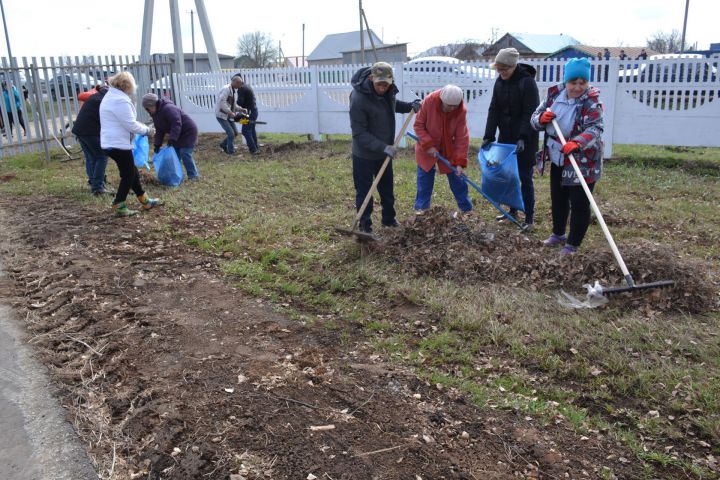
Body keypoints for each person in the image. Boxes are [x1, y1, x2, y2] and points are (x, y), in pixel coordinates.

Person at [531, 58, 604, 255]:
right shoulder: (554, 94)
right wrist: (541, 119)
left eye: (582, 83)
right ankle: (558, 234)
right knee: (559, 197)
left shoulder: (591, 102)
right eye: (573, 83)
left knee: (579, 201)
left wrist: (577, 142)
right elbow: (535, 117)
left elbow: (596, 128)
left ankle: (573, 243)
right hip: (558, 155)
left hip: (582, 160)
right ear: (566, 81)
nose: (578, 87)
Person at [349, 61, 419, 234]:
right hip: (364, 154)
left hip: (383, 154)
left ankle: (388, 220)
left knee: (387, 190)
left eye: (386, 84)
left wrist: (410, 106)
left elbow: (391, 104)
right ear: (371, 78)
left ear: (391, 81)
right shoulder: (358, 99)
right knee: (364, 192)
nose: (382, 88)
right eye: (379, 84)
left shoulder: (388, 91)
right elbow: (359, 133)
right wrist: (383, 147)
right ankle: (364, 225)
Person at [482, 47, 540, 230]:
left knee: (524, 177)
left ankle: (529, 217)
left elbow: (530, 112)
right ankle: (512, 211)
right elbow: (494, 109)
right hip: (505, 137)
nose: (501, 73)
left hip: (525, 138)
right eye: (498, 70)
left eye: (504, 69)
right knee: (508, 176)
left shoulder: (527, 83)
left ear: (513, 66)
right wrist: (489, 135)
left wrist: (523, 137)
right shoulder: (499, 83)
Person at [100, 71, 162, 217]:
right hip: (118, 144)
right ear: (127, 86)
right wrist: (148, 130)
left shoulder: (110, 96)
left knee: (132, 171)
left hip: (110, 142)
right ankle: (119, 204)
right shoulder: (120, 100)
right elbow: (130, 125)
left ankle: (144, 200)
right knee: (128, 174)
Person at [413, 85, 471, 215]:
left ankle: (467, 210)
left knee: (458, 180)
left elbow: (462, 137)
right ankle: (421, 212)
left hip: (448, 148)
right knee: (424, 181)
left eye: (454, 106)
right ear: (441, 99)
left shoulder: (461, 111)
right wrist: (428, 144)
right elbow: (418, 125)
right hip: (426, 146)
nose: (451, 108)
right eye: (448, 105)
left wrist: (460, 162)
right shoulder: (429, 101)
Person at [142, 93, 200, 180]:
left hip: (188, 132)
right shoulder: (155, 114)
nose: (148, 111)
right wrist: (157, 144)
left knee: (185, 153)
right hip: (177, 133)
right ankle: (174, 176)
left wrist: (172, 138)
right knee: (174, 155)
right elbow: (159, 130)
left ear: (153, 105)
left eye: (148, 108)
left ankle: (193, 176)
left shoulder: (168, 109)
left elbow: (176, 123)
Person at [72, 84, 111, 195]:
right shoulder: (105, 100)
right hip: (89, 132)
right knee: (101, 156)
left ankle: (94, 182)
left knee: (91, 157)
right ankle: (98, 187)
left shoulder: (95, 97)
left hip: (79, 130)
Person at [214, 75, 244, 155]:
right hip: (221, 115)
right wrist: (230, 112)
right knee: (231, 134)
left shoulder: (233, 91)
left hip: (227, 115)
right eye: (239, 84)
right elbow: (222, 102)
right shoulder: (226, 89)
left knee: (235, 133)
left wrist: (241, 109)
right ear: (235, 82)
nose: (240, 86)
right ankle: (231, 152)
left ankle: (223, 144)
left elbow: (233, 105)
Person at [235, 75, 260, 155]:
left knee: (245, 131)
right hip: (254, 111)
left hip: (248, 113)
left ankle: (253, 150)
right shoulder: (247, 86)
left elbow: (240, 102)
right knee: (251, 130)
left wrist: (234, 104)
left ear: (238, 82)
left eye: (234, 83)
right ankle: (255, 147)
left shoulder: (241, 89)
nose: (233, 85)